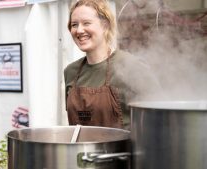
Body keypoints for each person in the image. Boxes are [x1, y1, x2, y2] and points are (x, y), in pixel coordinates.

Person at [64, 0, 163, 129]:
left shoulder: (131, 67)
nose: (79, 30)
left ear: (105, 25)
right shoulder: (70, 72)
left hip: (123, 149)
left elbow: (159, 118)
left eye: (86, 23)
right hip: (82, 149)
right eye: (74, 25)